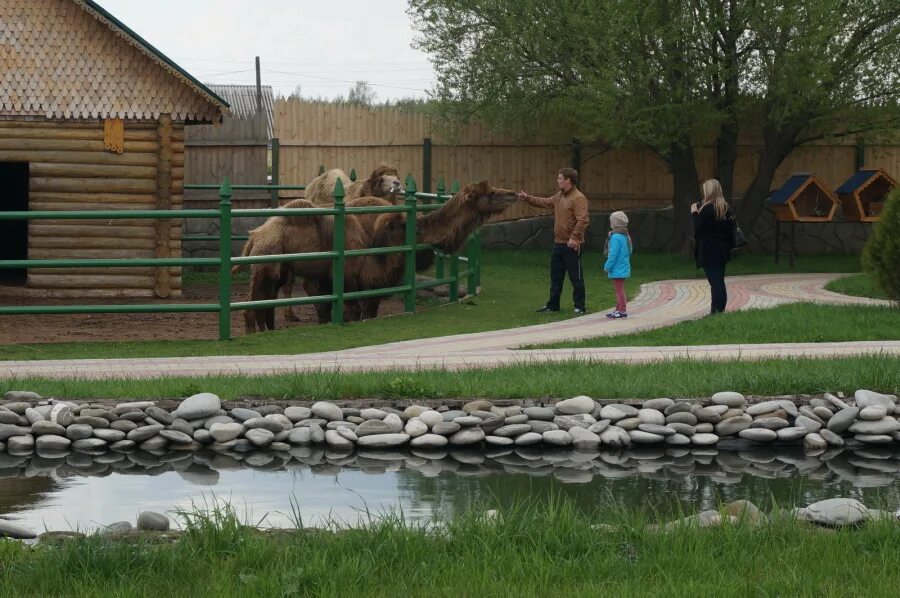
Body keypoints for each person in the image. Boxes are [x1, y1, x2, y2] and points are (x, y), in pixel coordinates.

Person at [518, 168, 590, 314]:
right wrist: (527, 198)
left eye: (559, 178)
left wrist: (574, 238)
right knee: (556, 277)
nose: (557, 181)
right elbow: (544, 202)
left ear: (568, 180)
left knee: (576, 277)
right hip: (558, 243)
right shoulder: (559, 196)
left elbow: (583, 220)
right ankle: (553, 305)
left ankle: (580, 307)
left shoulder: (578, 198)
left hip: (572, 244)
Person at [692, 179, 733, 314]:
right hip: (722, 250)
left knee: (715, 283)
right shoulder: (725, 207)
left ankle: (716, 312)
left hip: (709, 251)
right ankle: (717, 310)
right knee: (719, 281)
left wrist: (694, 213)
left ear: (709, 191)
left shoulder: (708, 208)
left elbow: (698, 228)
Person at [603, 211, 632, 319]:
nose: (610, 223)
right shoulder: (625, 235)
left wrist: (607, 267)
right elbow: (630, 250)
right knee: (619, 288)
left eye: (611, 221)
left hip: (617, 268)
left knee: (619, 289)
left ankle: (622, 310)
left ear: (615, 223)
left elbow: (612, 255)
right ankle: (618, 309)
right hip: (623, 266)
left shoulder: (615, 238)